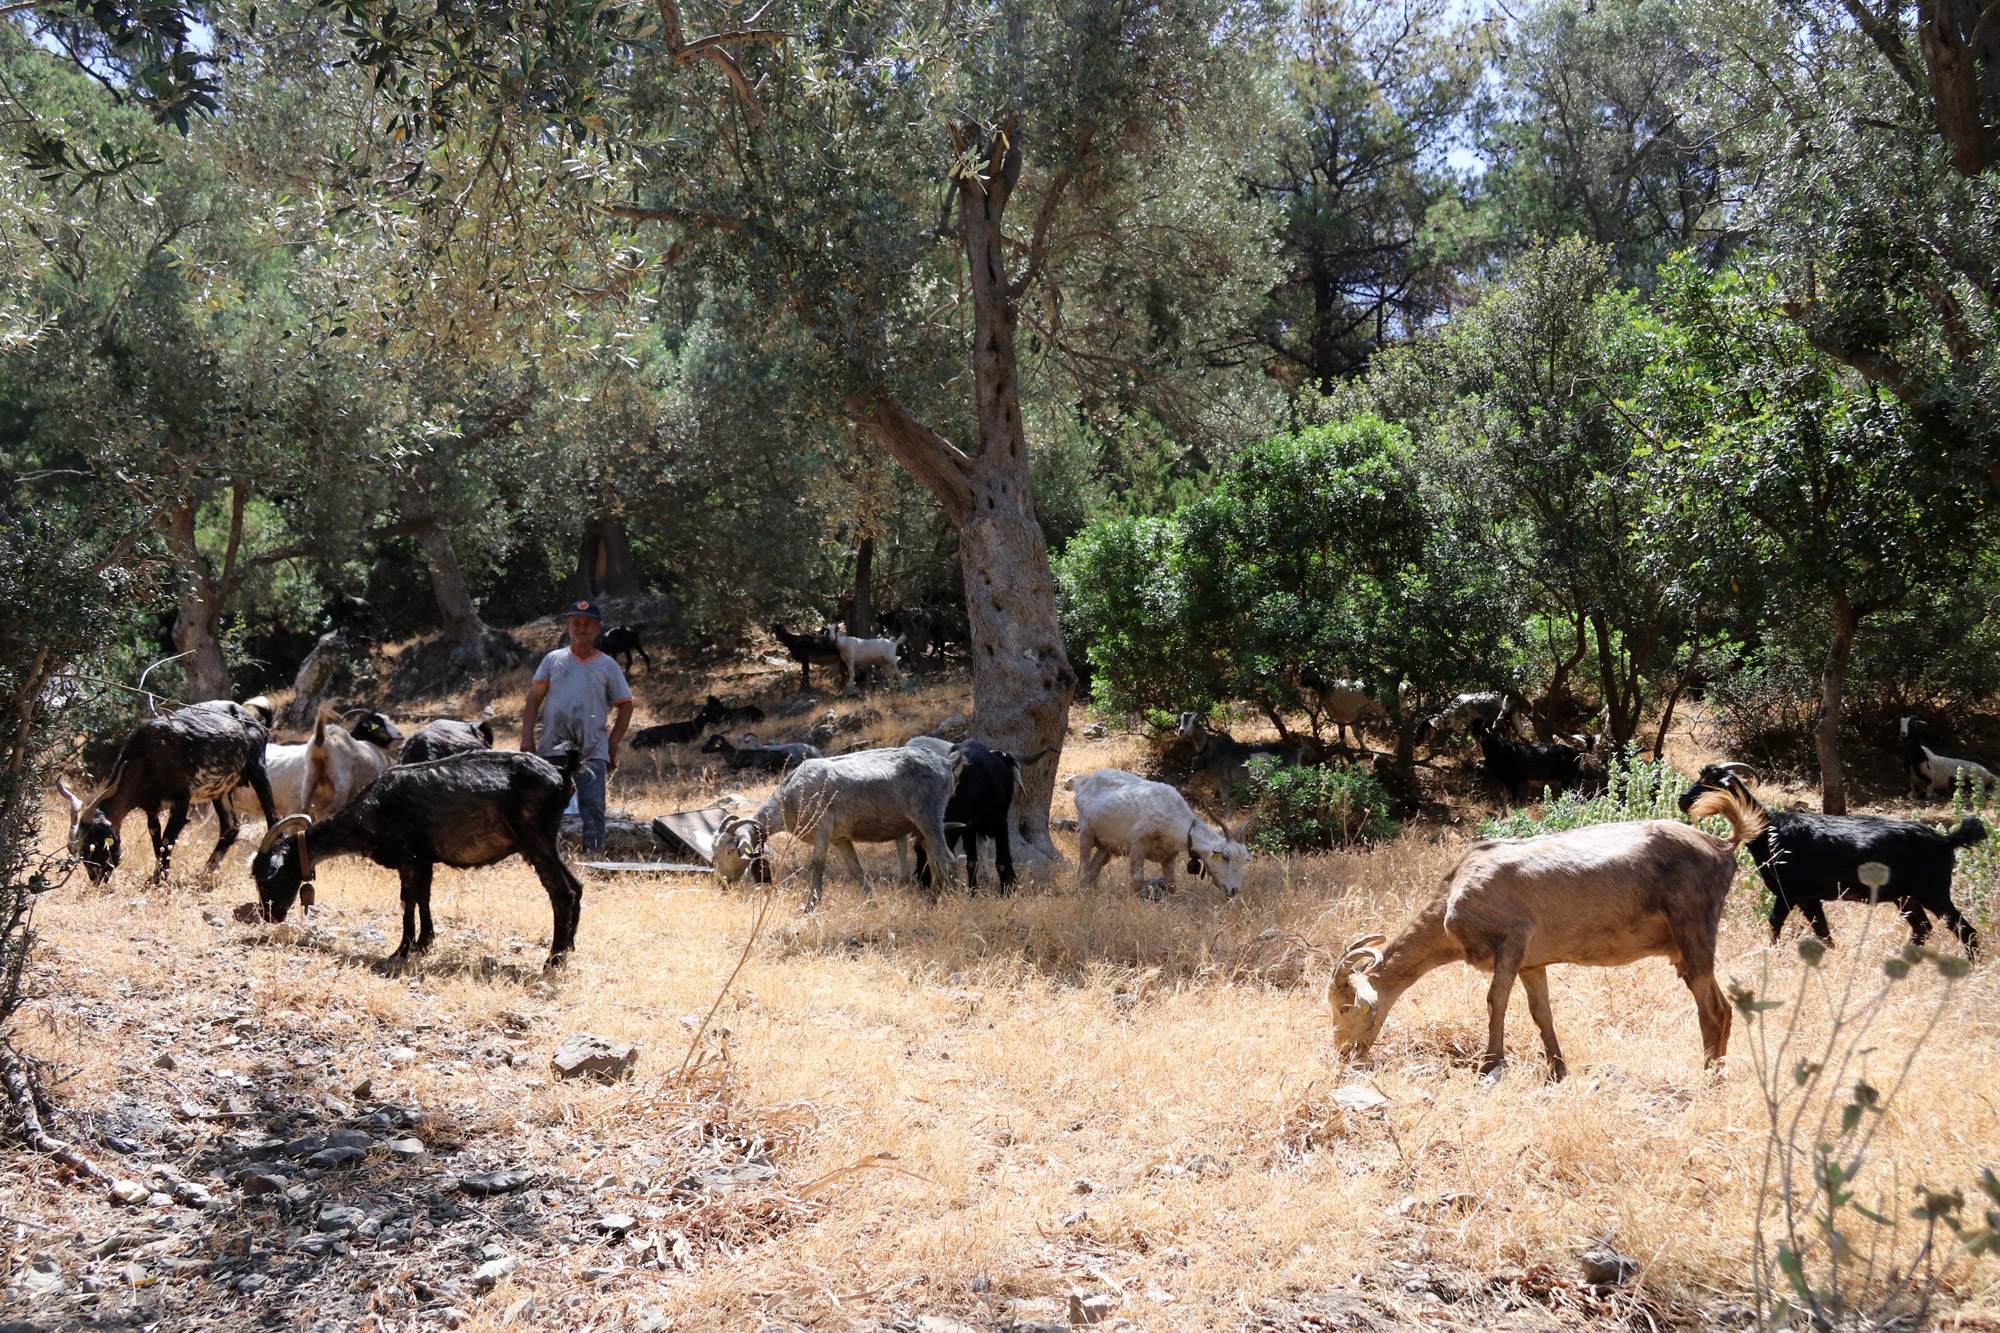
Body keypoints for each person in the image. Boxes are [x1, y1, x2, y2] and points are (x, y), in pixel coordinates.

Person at [520, 600, 633, 854]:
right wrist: (527, 739)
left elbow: (625, 706)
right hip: (551, 747)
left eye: (587, 624)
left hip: (591, 749)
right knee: (545, 804)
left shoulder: (608, 665)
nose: (581, 628)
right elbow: (533, 699)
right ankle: (545, 856)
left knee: (592, 804)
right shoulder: (553, 660)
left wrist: (611, 746)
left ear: (597, 628)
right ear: (568, 627)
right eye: (576, 623)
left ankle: (593, 857)